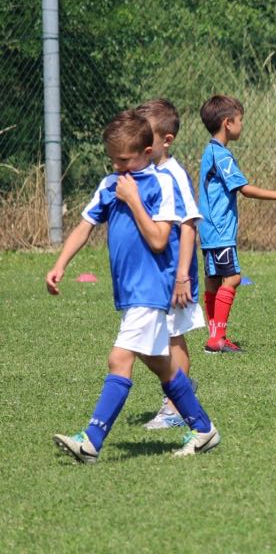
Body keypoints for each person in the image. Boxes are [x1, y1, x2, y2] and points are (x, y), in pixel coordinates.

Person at [47, 110, 219, 463]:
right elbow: (85, 225)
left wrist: (134, 200)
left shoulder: (162, 184)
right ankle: (204, 431)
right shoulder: (110, 184)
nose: (118, 167)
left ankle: (91, 441)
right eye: (113, 160)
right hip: (129, 292)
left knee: (119, 358)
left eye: (124, 160)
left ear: (146, 151)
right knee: (162, 366)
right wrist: (60, 264)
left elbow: (159, 239)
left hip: (151, 289)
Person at [197, 95, 276, 353]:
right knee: (233, 277)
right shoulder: (221, 155)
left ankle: (215, 337)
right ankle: (217, 339)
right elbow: (244, 189)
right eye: (240, 120)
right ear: (228, 123)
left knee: (214, 280)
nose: (242, 124)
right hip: (220, 230)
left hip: (208, 229)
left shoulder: (209, 151)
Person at [135, 99, 206, 429]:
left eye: (146, 136)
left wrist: (182, 276)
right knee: (154, 336)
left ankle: (176, 407)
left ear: (166, 140)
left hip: (176, 276)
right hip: (155, 274)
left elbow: (189, 224)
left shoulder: (174, 174)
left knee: (173, 337)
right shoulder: (149, 173)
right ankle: (180, 392)